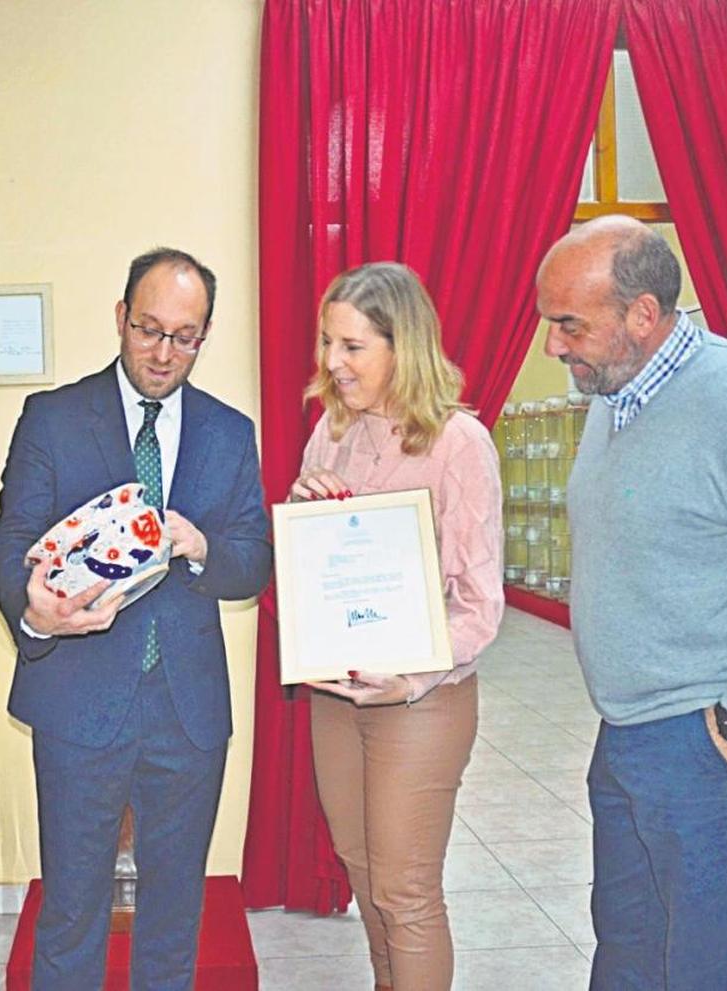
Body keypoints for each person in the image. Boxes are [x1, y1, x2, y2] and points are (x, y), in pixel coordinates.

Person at [0, 247, 271, 990]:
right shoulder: (53, 417)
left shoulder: (229, 431)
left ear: (203, 337)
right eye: (149, 330)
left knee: (175, 917)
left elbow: (253, 557)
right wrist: (35, 611)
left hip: (187, 712)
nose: (164, 352)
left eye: (184, 337)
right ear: (120, 318)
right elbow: (12, 539)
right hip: (79, 705)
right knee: (72, 913)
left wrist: (204, 545)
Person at [537, 216, 727, 989]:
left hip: (708, 744)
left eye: (568, 324)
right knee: (631, 950)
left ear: (641, 314)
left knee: (714, 960)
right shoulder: (616, 392)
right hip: (627, 736)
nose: (552, 346)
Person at [289, 262, 503, 991]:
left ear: (400, 346)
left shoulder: (458, 443)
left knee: (405, 891)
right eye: (327, 343)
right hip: (338, 693)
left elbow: (480, 602)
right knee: (362, 869)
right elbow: (319, 569)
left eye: (352, 346)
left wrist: (411, 677)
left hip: (422, 700)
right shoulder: (330, 432)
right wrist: (305, 508)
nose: (331, 362)